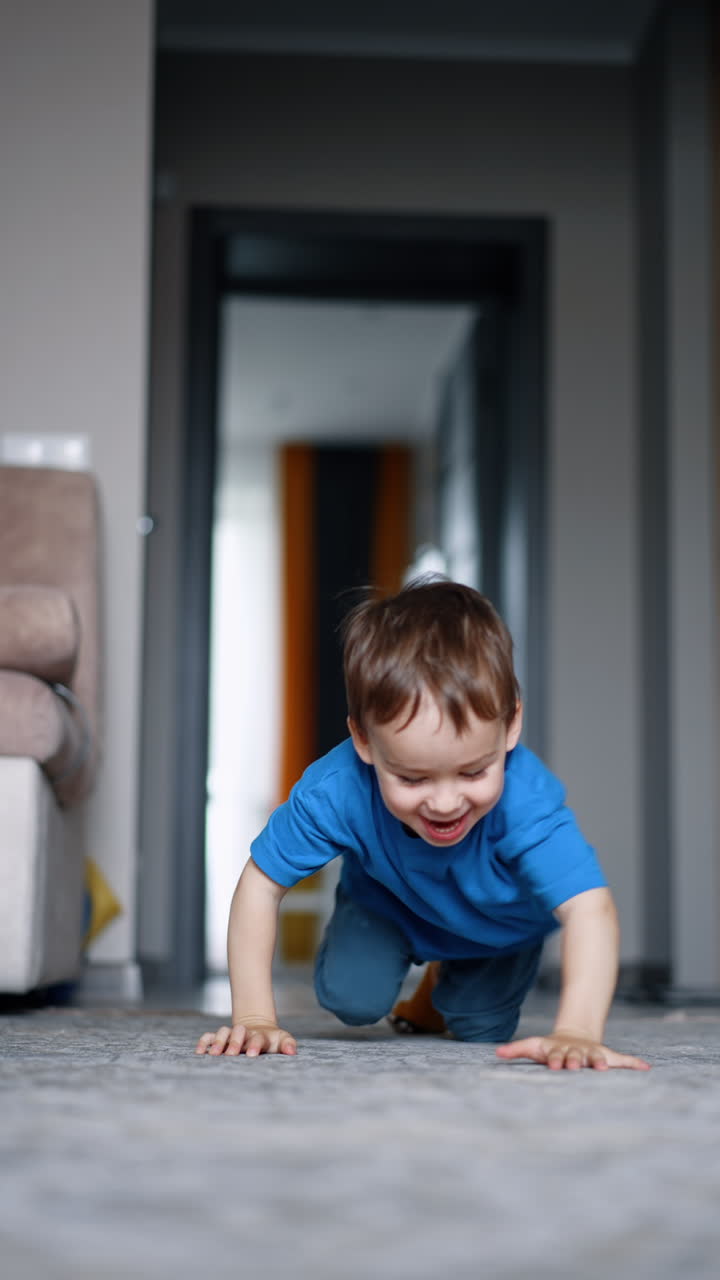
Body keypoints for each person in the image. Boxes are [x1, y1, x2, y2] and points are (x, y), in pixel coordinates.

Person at [196, 578, 649, 1072]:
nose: (446, 802)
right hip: (390, 903)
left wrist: (577, 1031)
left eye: (474, 772)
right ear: (364, 741)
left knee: (480, 1031)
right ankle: (409, 953)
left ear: (511, 725)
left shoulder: (527, 802)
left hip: (500, 929)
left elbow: (590, 910)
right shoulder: (337, 788)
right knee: (352, 1000)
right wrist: (255, 1016)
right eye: (412, 778)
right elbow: (261, 884)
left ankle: (439, 988)